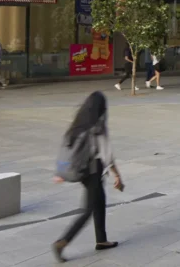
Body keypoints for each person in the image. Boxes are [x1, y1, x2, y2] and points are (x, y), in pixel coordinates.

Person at [52, 92, 123, 261]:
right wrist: (118, 176)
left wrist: (61, 171)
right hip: (93, 170)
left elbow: (67, 151)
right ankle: (62, 242)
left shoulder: (77, 124)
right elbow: (107, 155)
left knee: (99, 200)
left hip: (83, 171)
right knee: (89, 209)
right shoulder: (97, 127)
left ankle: (102, 240)